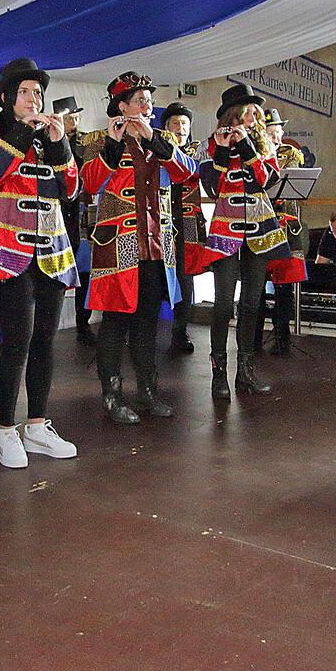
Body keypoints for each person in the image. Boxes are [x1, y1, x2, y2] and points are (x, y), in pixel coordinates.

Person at [0, 58, 81, 467]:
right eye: (26, 92)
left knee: (45, 341)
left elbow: (70, 188)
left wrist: (59, 143)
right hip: (9, 252)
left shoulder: (49, 136)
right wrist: (21, 133)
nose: (34, 99)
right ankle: (5, 431)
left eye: (38, 92)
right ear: (7, 97)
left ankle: (37, 425)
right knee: (17, 341)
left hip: (51, 250)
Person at [82, 72, 199, 423]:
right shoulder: (98, 140)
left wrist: (156, 142)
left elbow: (188, 173)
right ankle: (112, 394)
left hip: (156, 247)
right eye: (139, 100)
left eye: (148, 99)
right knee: (115, 323)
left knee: (148, 322)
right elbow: (87, 183)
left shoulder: (162, 139)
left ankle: (148, 391)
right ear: (121, 106)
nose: (147, 105)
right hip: (117, 247)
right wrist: (113, 148)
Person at [200, 84, 290, 399]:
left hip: (260, 234)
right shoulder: (210, 145)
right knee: (223, 303)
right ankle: (218, 375)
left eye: (256, 112)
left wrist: (249, 147)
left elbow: (264, 180)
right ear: (233, 114)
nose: (254, 117)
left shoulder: (264, 144)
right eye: (248, 111)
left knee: (252, 304)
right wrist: (225, 148)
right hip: (225, 234)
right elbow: (212, 186)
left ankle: (245, 373)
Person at [162, 102, 213, 355]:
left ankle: (180, 331)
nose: (181, 128)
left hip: (188, 224)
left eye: (184, 124)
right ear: (165, 127)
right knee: (154, 277)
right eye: (175, 123)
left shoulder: (196, 153)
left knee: (186, 279)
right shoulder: (158, 151)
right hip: (160, 223)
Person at [55, 96, 103, 346]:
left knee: (85, 271)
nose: (73, 123)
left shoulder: (88, 143)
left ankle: (83, 323)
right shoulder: (50, 141)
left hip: (83, 215)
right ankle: (51, 324)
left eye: (76, 118)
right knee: (57, 271)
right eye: (69, 118)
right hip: (59, 215)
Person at [259, 109, 307, 355]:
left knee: (285, 287)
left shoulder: (290, 155)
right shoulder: (253, 156)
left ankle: (282, 338)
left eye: (278, 133)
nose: (276, 138)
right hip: (262, 227)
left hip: (287, 228)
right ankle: (253, 339)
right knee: (256, 284)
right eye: (270, 134)